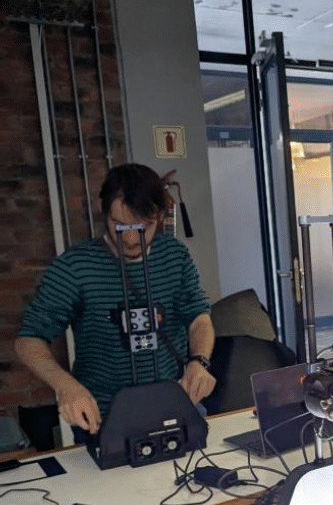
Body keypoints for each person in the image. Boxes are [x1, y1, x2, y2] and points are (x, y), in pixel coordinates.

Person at [16, 163, 216, 440]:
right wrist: (66, 386)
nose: (132, 239)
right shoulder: (75, 267)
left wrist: (199, 362)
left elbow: (198, 317)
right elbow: (29, 340)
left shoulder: (175, 255)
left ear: (159, 216)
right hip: (104, 418)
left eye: (143, 227)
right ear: (103, 210)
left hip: (174, 404)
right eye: (120, 226)